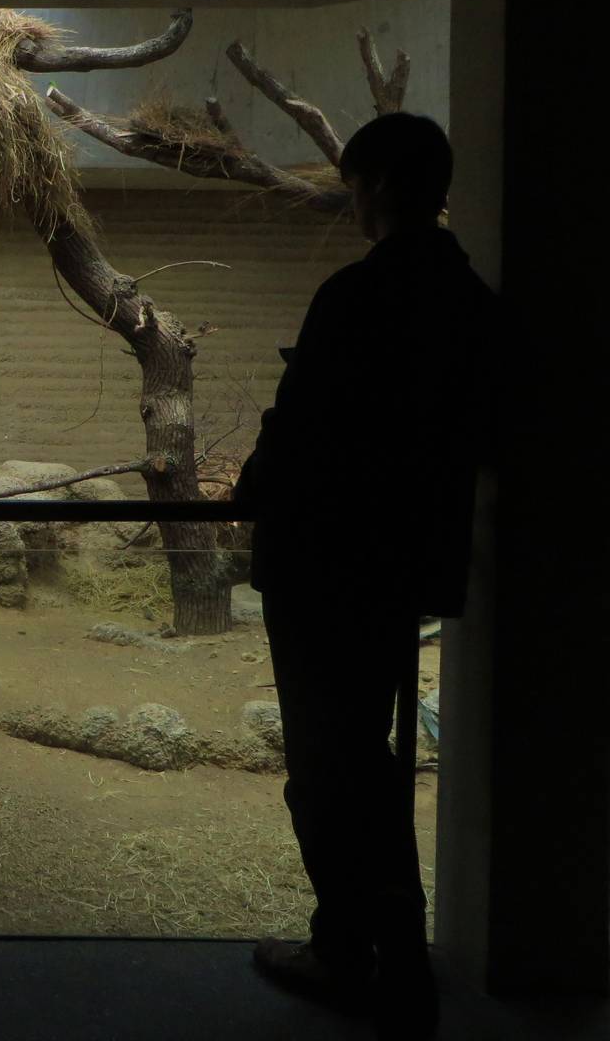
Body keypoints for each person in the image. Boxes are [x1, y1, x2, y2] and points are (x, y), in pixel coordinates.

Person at [233, 114, 497, 1039]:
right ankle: (391, 959)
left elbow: (300, 433)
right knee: (368, 759)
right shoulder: (472, 302)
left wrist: (255, 484)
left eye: (352, 184)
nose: (350, 201)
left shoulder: (355, 297)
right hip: (403, 566)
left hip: (325, 566)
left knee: (326, 764)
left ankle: (354, 955)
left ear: (378, 184)